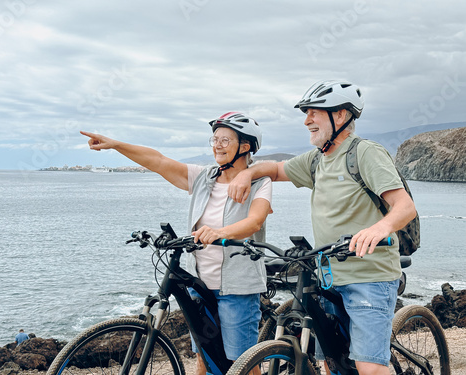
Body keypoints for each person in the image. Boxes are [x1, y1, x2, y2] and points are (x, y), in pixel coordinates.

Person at [228, 80, 416, 375]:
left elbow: (404, 207)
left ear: (340, 116)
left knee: (369, 368)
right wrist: (247, 173)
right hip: (329, 278)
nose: (306, 121)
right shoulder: (317, 160)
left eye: (314, 113)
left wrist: (378, 229)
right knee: (333, 363)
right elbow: (277, 169)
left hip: (369, 278)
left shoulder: (365, 153)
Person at [81, 112, 271, 375]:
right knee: (204, 357)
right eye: (214, 139)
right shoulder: (204, 178)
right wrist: (115, 144)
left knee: (244, 365)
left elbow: (255, 222)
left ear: (245, 146)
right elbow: (158, 161)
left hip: (238, 288)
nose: (216, 145)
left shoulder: (260, 183)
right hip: (201, 284)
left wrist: (219, 232)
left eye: (225, 140)